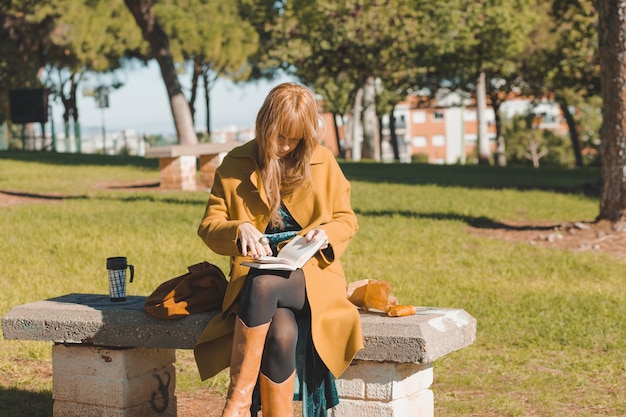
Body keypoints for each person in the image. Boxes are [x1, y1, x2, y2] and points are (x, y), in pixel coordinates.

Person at [193, 82, 363, 417]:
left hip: (312, 277)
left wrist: (325, 233)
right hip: (255, 279)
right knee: (281, 331)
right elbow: (209, 226)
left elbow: (347, 219)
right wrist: (238, 228)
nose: (285, 146)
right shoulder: (236, 163)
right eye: (279, 136)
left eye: (294, 139)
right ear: (264, 125)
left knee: (265, 283)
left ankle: (235, 407)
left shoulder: (323, 162)